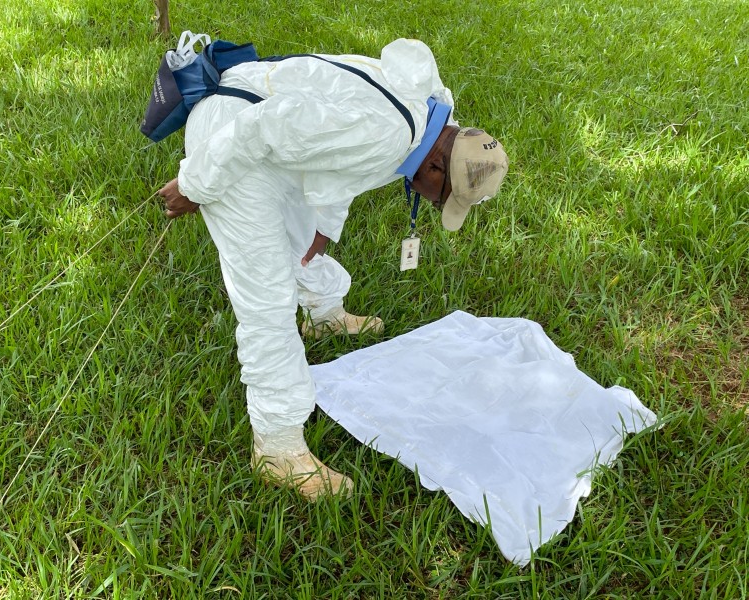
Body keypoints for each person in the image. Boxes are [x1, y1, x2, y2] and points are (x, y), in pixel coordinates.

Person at [158, 38, 508, 500]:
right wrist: (195, 183)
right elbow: (264, 128)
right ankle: (277, 449)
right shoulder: (385, 135)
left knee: (303, 239)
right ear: (437, 169)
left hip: (269, 135)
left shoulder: (432, 115)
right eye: (443, 198)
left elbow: (340, 155)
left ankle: (323, 316)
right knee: (267, 301)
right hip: (232, 136)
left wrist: (324, 223)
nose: (434, 204)